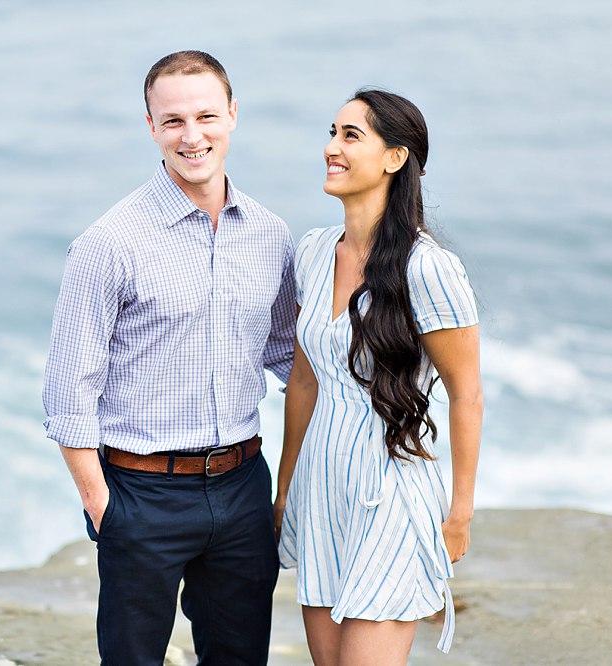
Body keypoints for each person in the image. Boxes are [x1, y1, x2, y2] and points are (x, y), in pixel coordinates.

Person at [42, 50, 296, 665]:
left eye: (206, 116)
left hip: (241, 488)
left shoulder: (271, 235)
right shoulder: (109, 244)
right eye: (174, 120)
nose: (192, 135)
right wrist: (106, 511)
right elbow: (67, 393)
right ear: (151, 126)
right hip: (140, 494)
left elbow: (291, 358)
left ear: (232, 116)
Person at [275, 89, 483, 665]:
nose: (330, 148)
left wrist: (460, 512)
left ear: (395, 157)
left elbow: (466, 392)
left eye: (350, 136)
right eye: (332, 132)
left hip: (389, 488)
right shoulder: (313, 253)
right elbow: (304, 382)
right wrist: (286, 486)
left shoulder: (429, 267)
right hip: (321, 487)